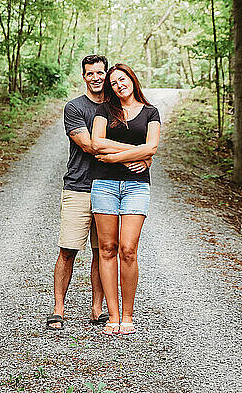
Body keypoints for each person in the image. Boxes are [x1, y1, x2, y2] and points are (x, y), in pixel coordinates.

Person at [47, 55, 149, 330]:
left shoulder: (117, 107)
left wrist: (145, 155)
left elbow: (142, 139)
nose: (96, 77)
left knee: (102, 251)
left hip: (108, 186)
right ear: (84, 76)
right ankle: (59, 308)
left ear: (106, 75)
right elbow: (91, 145)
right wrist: (134, 156)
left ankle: (98, 309)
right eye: (90, 73)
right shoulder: (75, 108)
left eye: (101, 73)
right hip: (79, 186)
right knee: (68, 249)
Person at [91, 63, 161, 335]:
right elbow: (97, 142)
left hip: (136, 187)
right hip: (104, 184)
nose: (119, 85)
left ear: (132, 79)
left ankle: (128, 316)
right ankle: (113, 316)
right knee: (107, 249)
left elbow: (153, 146)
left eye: (123, 79)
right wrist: (138, 153)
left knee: (128, 250)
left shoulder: (151, 112)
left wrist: (117, 156)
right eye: (114, 83)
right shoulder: (104, 111)